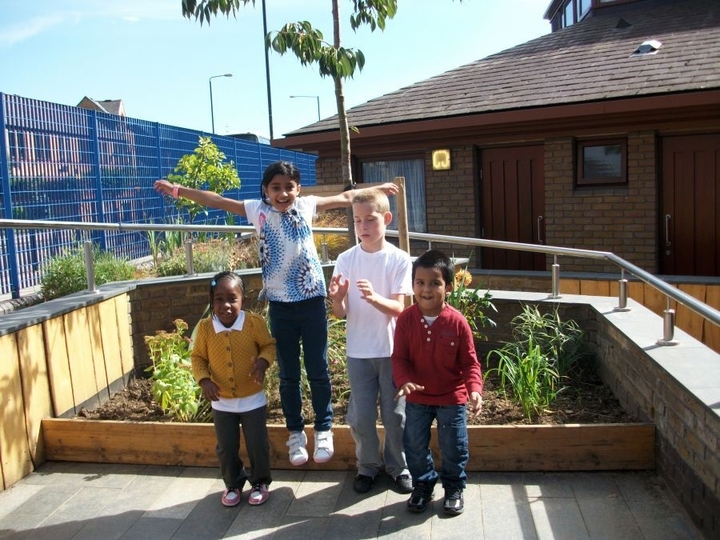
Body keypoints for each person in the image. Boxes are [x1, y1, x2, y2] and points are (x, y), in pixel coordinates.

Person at [155, 161, 399, 466]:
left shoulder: (307, 205)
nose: (283, 193)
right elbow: (216, 200)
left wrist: (375, 189)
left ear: (298, 188)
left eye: (289, 187)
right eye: (276, 187)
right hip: (281, 307)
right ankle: (296, 433)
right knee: (288, 375)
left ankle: (324, 429)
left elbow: (347, 198)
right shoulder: (257, 210)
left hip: (312, 301)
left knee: (318, 369)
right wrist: (178, 190)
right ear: (266, 190)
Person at [327, 188, 413, 495]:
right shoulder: (346, 259)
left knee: (396, 416)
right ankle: (367, 467)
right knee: (361, 416)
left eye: (370, 219)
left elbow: (400, 308)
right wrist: (337, 299)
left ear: (386, 219)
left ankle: (399, 467)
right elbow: (341, 312)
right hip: (359, 353)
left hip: (392, 352)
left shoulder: (399, 259)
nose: (363, 226)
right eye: (357, 220)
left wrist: (374, 297)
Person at [391, 249, 483, 516]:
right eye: (420, 282)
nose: (426, 289)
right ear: (412, 286)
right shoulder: (406, 320)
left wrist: (474, 390)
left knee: (454, 445)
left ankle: (453, 487)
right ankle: (423, 484)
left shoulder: (457, 323)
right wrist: (404, 381)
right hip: (418, 398)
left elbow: (470, 363)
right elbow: (399, 358)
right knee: (414, 445)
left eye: (434, 283)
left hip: (451, 397)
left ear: (449, 287)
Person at [191, 271, 276, 507]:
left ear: (243, 300)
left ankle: (260, 481)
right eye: (219, 299)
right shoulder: (206, 328)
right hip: (222, 402)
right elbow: (197, 358)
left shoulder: (253, 323)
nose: (225, 305)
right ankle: (233, 483)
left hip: (253, 400)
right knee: (226, 447)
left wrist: (262, 362)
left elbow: (268, 346)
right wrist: (204, 380)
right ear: (211, 301)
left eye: (232, 298)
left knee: (257, 443)